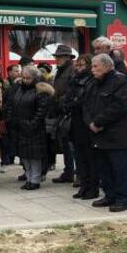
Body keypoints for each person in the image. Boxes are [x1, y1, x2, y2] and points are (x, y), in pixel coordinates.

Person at [83, 54, 127, 212]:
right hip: (97, 134)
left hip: (116, 134)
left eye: (95, 66)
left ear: (106, 66)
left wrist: (98, 122)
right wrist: (91, 123)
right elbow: (86, 106)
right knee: (104, 168)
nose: (92, 70)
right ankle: (109, 195)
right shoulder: (92, 83)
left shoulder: (119, 80)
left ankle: (123, 199)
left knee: (119, 168)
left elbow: (120, 106)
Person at [6, 65, 54, 190]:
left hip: (34, 129)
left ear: (35, 77)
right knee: (24, 155)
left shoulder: (40, 90)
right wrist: (12, 120)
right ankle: (29, 177)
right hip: (20, 127)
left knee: (34, 156)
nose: (25, 80)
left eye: (28, 78)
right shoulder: (19, 89)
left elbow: (41, 110)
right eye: (23, 77)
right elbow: (11, 104)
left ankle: (35, 179)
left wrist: (32, 124)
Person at [63, 54, 99, 200]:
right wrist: (68, 103)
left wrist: (73, 102)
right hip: (75, 123)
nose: (78, 68)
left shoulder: (92, 80)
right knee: (80, 158)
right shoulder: (74, 80)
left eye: (82, 65)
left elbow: (84, 101)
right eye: (77, 65)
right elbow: (68, 98)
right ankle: (84, 186)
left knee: (90, 158)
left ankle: (93, 188)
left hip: (86, 124)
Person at [52, 45, 76, 184]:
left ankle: (76, 173)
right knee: (65, 144)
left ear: (67, 57)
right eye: (57, 57)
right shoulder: (60, 71)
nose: (57, 59)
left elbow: (71, 90)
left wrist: (61, 100)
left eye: (59, 57)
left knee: (71, 145)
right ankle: (68, 172)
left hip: (69, 111)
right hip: (61, 110)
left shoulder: (71, 70)